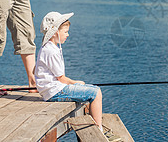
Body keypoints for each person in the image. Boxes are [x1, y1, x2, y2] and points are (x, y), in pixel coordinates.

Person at [35, 12, 120, 141]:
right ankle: (99, 131)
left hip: (52, 90)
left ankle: (96, 126)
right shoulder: (51, 51)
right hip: (55, 92)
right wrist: (75, 82)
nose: (68, 35)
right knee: (96, 92)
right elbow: (61, 79)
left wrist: (76, 84)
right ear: (55, 32)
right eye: (65, 32)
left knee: (87, 89)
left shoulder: (48, 48)